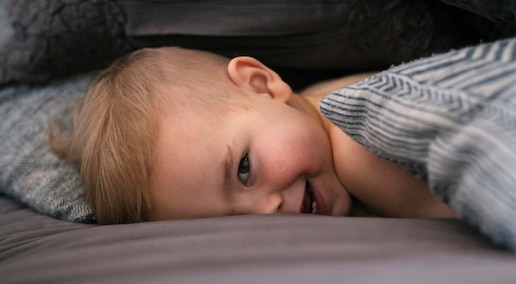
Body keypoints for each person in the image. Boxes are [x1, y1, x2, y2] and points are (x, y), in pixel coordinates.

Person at [50, 47, 455, 224]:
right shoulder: (316, 110)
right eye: (235, 222)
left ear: (261, 84)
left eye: (244, 169)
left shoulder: (359, 146)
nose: (267, 212)